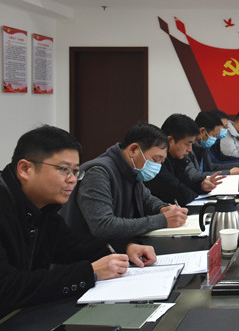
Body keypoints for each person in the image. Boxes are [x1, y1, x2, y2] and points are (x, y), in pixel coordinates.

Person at [0, 126, 155, 317]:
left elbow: (74, 247)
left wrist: (125, 248)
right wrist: (88, 272)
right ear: (25, 169)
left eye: (75, 172)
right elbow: (7, 287)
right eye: (64, 170)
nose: (72, 180)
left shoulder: (44, 209)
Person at [61, 123, 188, 241]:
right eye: (155, 159)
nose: (158, 166)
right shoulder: (98, 172)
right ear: (133, 150)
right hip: (89, 252)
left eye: (161, 162)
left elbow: (146, 199)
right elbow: (104, 226)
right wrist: (162, 220)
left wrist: (163, 208)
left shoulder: (132, 170)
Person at [144, 114, 229, 205]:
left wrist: (201, 186)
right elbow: (181, 194)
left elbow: (187, 183)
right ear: (170, 140)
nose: (190, 149)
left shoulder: (178, 160)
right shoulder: (156, 163)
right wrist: (192, 192)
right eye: (187, 144)